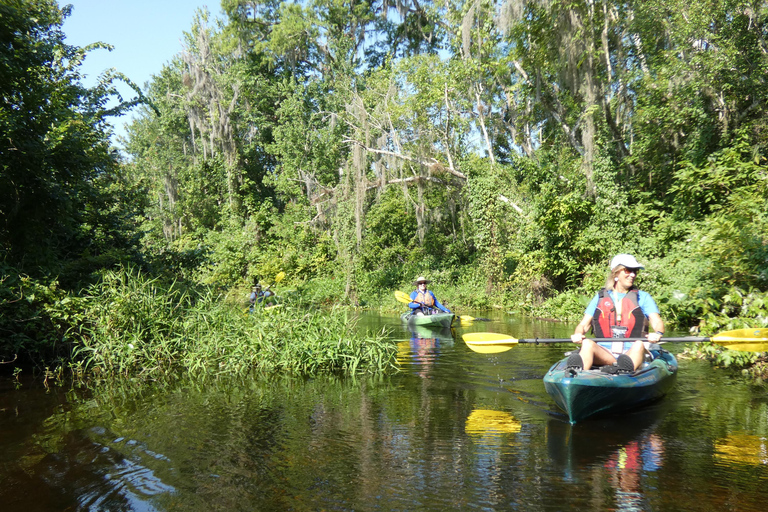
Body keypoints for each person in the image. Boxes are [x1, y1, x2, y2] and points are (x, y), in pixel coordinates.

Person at [568, 254, 664, 373]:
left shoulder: (643, 297)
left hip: (631, 352)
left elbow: (656, 321)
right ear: (615, 273)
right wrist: (578, 334)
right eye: (628, 270)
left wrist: (658, 333)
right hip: (605, 353)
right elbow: (583, 325)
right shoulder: (601, 297)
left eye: (635, 271)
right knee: (587, 343)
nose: (633, 274)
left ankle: (624, 372)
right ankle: (577, 375)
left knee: (639, 344)